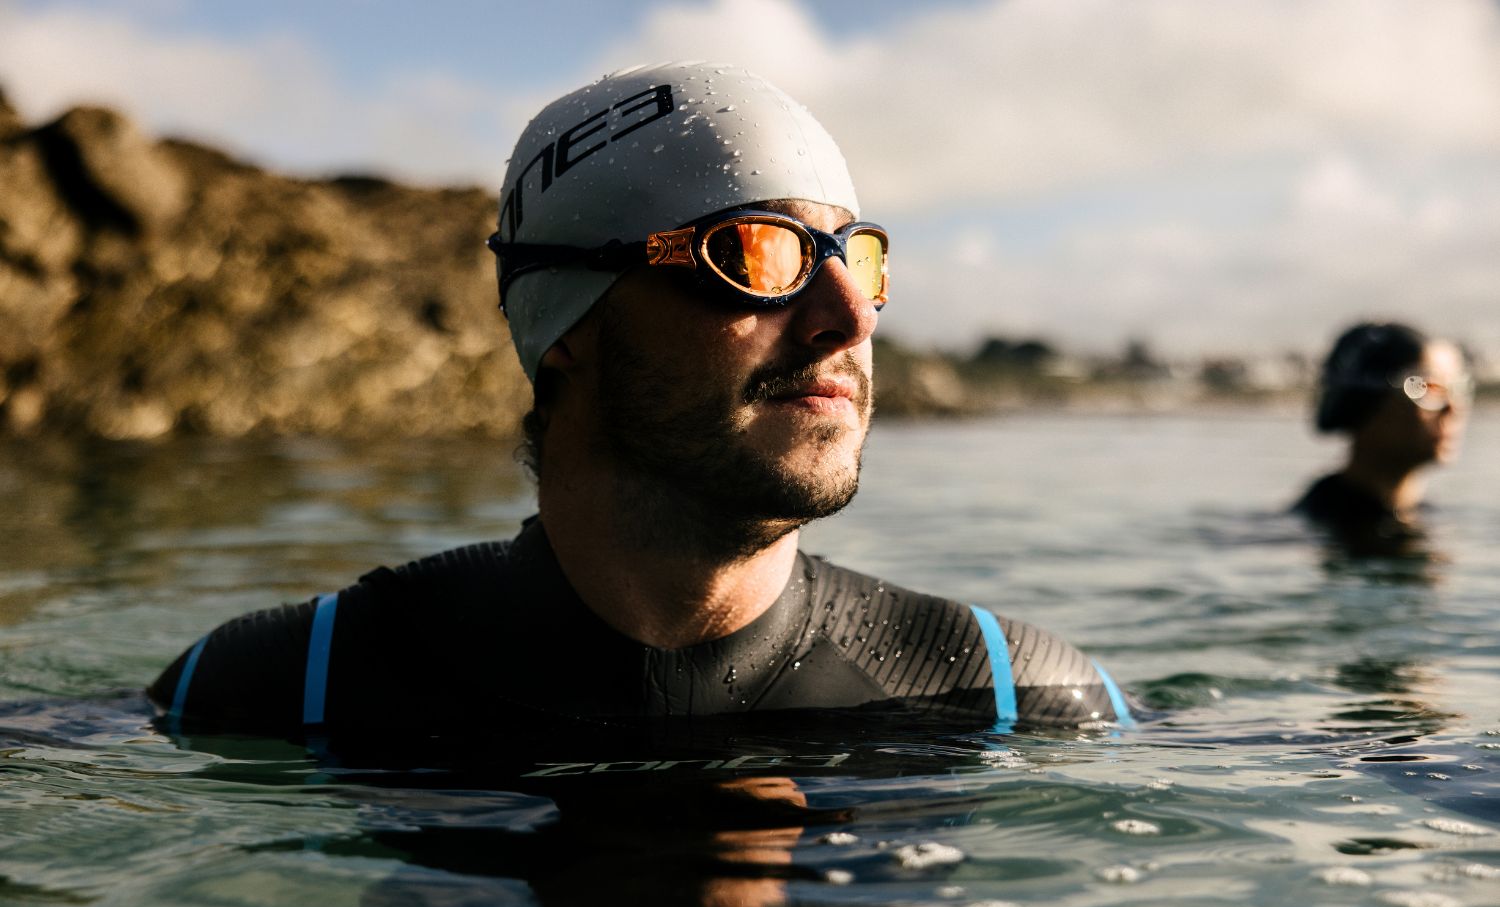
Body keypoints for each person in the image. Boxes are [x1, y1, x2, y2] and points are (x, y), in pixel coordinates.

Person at [147, 61, 1133, 736]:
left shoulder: (1006, 691)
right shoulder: (296, 683)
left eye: (857, 256)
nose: (850, 316)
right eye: (761, 253)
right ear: (568, 320)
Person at [1293, 321, 1471, 554]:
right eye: (1427, 387)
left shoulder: (1424, 516)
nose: (1453, 408)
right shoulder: (1316, 530)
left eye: (1459, 388)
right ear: (1360, 405)